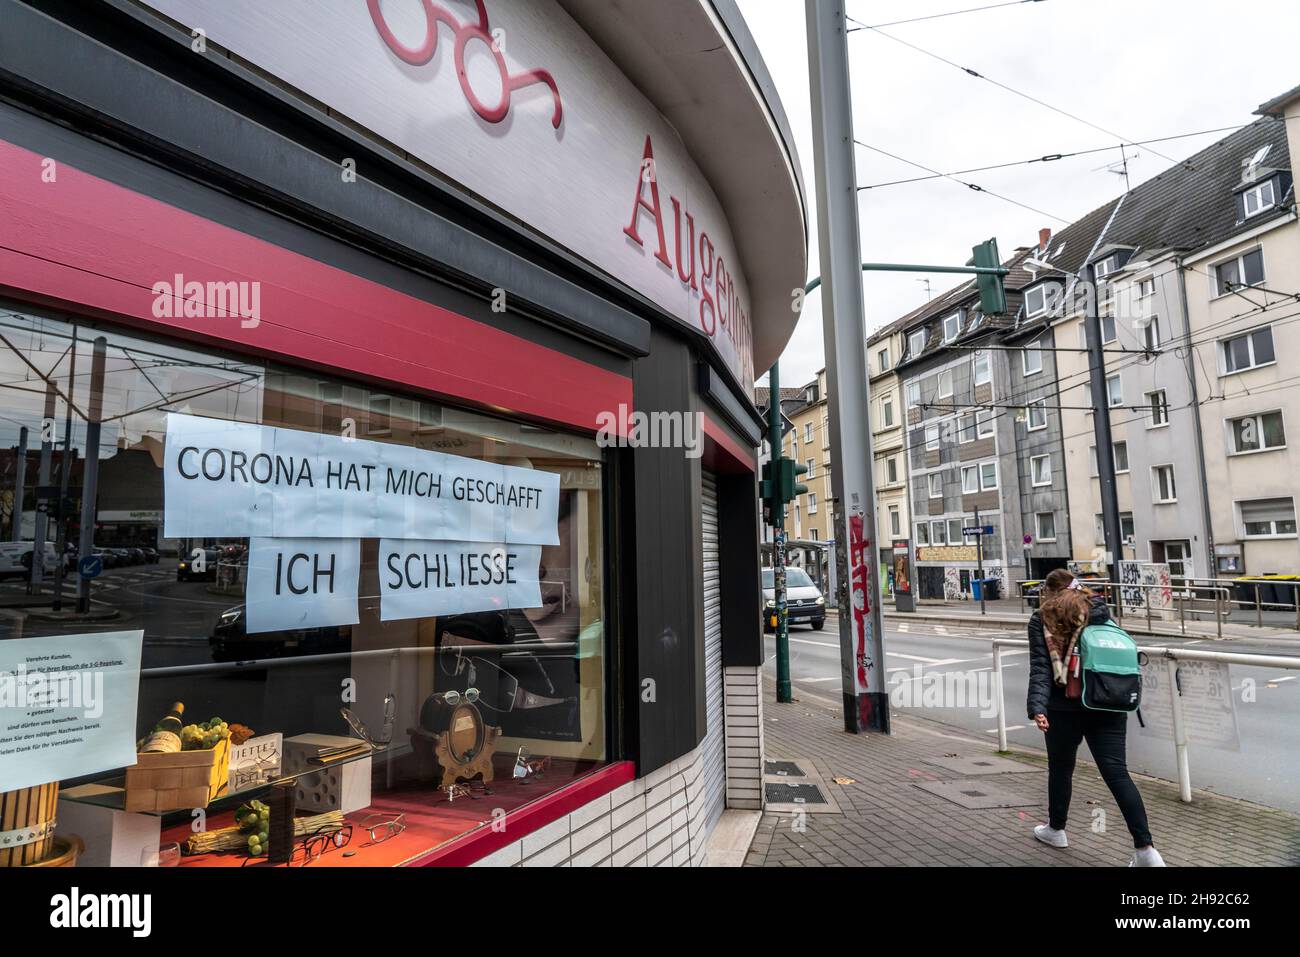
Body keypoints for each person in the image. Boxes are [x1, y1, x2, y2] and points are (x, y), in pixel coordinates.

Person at [1026, 569, 1165, 866]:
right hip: (1107, 700)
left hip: (1063, 705)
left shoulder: (1043, 617)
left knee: (1061, 768)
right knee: (1117, 773)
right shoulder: (1100, 611)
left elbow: (1040, 667)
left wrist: (1037, 707)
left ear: (1050, 592)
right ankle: (1147, 851)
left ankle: (1057, 830)